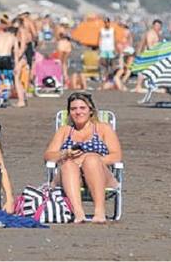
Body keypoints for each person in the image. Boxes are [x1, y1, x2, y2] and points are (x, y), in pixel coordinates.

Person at [43, 92, 122, 223]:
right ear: (69, 112)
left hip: (99, 175)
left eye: (82, 108)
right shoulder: (65, 130)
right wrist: (65, 154)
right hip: (70, 176)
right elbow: (48, 156)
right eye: (73, 109)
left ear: (91, 111)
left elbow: (116, 156)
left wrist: (87, 159)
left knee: (91, 160)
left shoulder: (103, 129)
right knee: (68, 164)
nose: (78, 112)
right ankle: (78, 213)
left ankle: (99, 212)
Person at [0, 25, 26, 107]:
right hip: (6, 58)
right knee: (14, 78)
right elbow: (16, 52)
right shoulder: (13, 37)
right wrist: (16, 65)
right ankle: (21, 100)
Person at [133, 19, 162, 93]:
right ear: (153, 26)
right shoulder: (151, 33)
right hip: (147, 55)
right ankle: (138, 87)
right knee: (144, 71)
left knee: (150, 71)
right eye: (156, 26)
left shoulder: (156, 34)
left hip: (151, 55)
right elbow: (149, 45)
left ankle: (150, 85)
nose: (158, 27)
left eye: (159, 26)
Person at [97, 18, 116, 84]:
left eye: (107, 22)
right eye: (105, 22)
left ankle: (111, 77)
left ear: (109, 22)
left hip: (111, 48)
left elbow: (114, 39)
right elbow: (99, 39)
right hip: (103, 49)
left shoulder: (112, 30)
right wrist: (99, 48)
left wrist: (115, 48)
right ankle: (104, 76)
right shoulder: (101, 30)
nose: (106, 23)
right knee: (103, 63)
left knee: (112, 64)